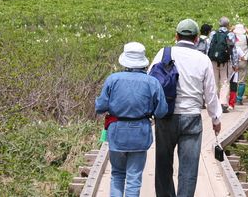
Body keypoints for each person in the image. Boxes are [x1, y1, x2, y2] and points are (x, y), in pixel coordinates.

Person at [150, 19, 222, 197]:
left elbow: (149, 81)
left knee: (163, 165)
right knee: (189, 169)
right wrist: (216, 119)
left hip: (166, 115)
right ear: (197, 39)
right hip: (192, 117)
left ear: (176, 36)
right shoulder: (203, 59)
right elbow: (210, 93)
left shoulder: (163, 53)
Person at [96, 42, 168, 197]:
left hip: (117, 132)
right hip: (140, 133)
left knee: (117, 175)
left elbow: (100, 106)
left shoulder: (113, 79)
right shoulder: (152, 82)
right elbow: (162, 111)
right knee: (134, 179)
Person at [208, 17, 237, 112]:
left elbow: (209, 47)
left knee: (214, 81)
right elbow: (233, 49)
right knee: (224, 81)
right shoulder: (230, 34)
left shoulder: (213, 34)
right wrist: (235, 63)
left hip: (213, 60)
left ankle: (214, 103)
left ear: (219, 24)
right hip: (225, 61)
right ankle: (223, 103)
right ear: (228, 24)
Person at [232, 23, 248, 105]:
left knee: (232, 80)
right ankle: (239, 99)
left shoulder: (231, 37)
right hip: (243, 61)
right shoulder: (246, 37)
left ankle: (232, 98)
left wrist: (231, 30)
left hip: (233, 61)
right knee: (242, 81)